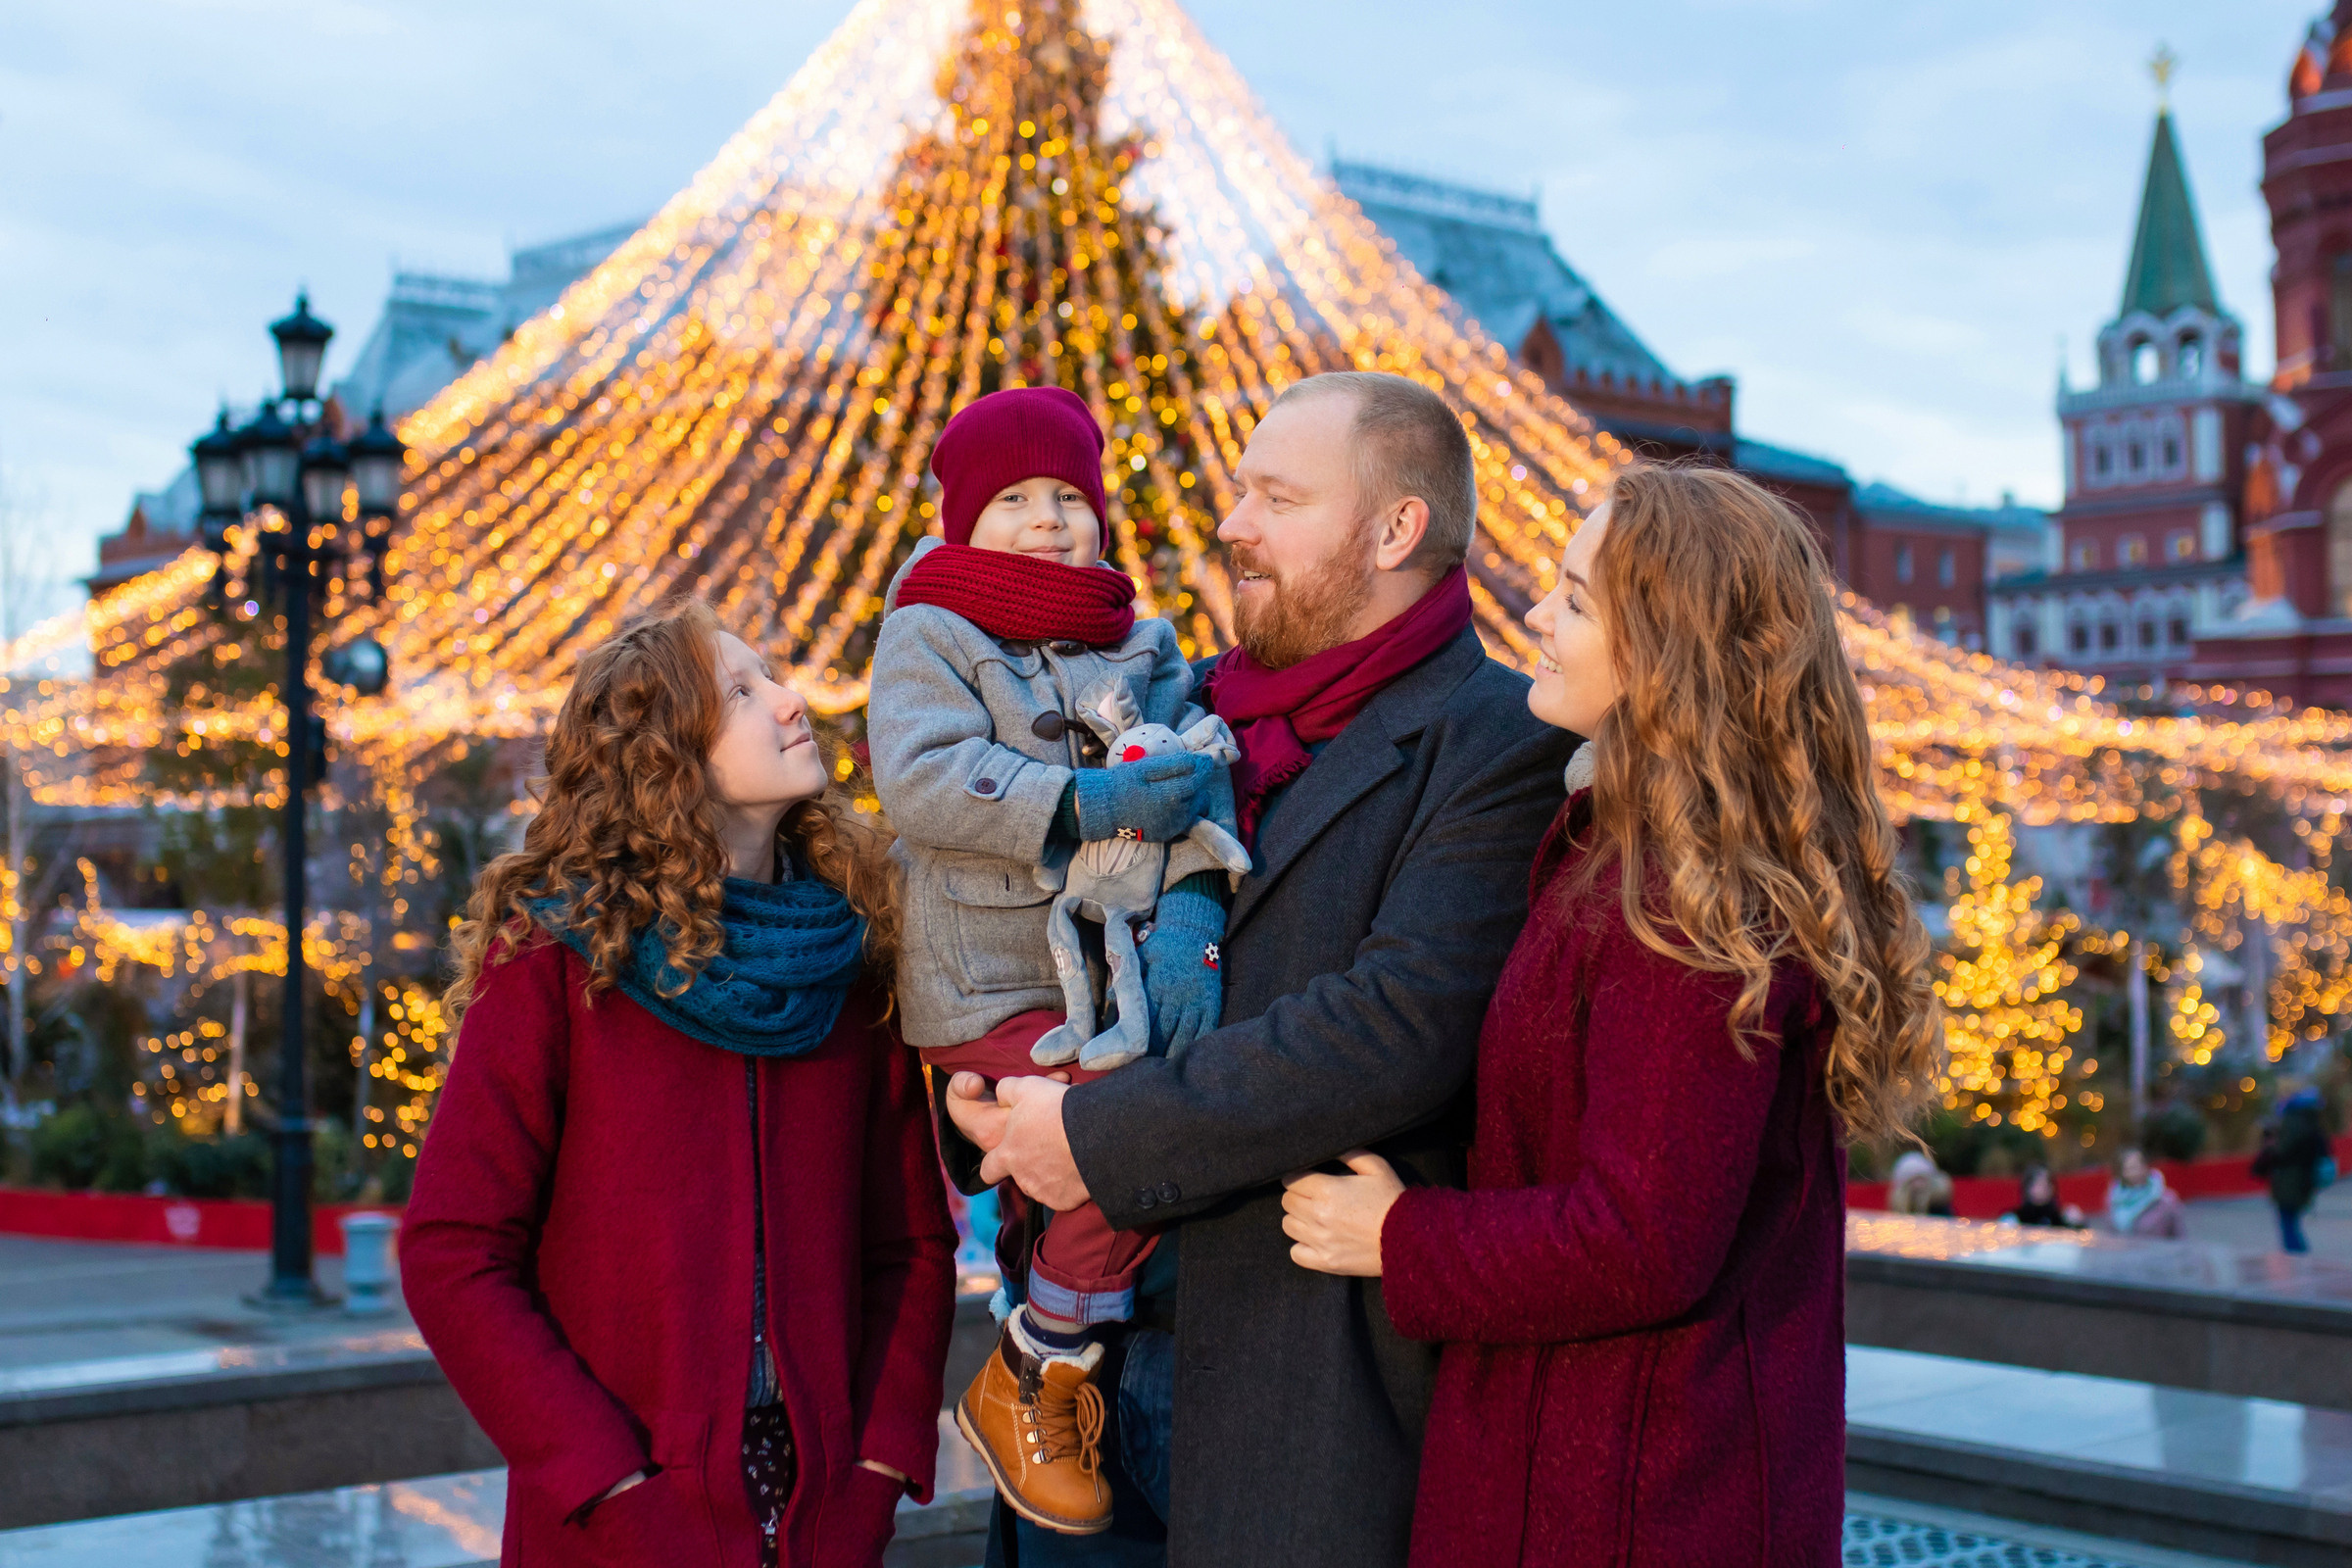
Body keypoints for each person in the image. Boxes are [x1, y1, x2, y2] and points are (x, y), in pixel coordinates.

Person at [946, 370, 1571, 1567]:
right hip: (1073, 1376)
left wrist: (1093, 1135)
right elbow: (1033, 907)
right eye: (1241, 489)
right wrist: (982, 1092)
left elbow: (1390, 1030)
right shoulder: (1183, 708)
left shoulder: (1500, 737)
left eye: (1276, 496)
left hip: (1290, 1395)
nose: (1231, 523)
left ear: (1395, 528)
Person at [1280, 464, 1941, 1565]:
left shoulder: (1686, 900)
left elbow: (1646, 1240)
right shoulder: (1626, 853)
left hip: (1639, 1498)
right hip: (1589, 1470)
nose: (1536, 613)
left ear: (1671, 647)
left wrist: (1398, 1236)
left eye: (1578, 598)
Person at [402, 601, 956, 1568]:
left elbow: (909, 1245)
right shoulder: (556, 964)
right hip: (619, 1522)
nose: (792, 702)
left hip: (818, 1520)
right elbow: (453, 1251)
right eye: (742, 691)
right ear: (669, 754)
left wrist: (875, 1471)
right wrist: (608, 1483)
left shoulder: (850, 960)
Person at [867, 384, 1241, 1535]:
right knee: (1108, 1127)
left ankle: (1046, 1336)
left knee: (1135, 1104)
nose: (1046, 521)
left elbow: (1194, 775)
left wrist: (1190, 915)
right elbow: (921, 779)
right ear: (963, 519)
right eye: (1015, 501)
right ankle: (1043, 1353)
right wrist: (1081, 799)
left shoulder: (1142, 638)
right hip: (988, 969)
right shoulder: (930, 629)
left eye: (1068, 498)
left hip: (1111, 959)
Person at [2253, 1085, 2332, 1253]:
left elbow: (2282, 1152)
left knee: (2288, 1225)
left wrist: (2270, 1147)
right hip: (2304, 1180)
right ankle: (2301, 1258)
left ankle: (2298, 1259)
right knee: (2292, 1223)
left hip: (2289, 1181)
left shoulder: (2293, 1124)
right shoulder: (2312, 1124)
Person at [2102, 1146, 2185, 1239]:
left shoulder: (2166, 1200)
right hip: (2126, 1252)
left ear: (2145, 1167)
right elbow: (2110, 1235)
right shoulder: (2114, 1198)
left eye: (2135, 1167)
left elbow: (2179, 1236)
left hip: (2158, 1252)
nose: (2133, 1173)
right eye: (2128, 1169)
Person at [2004, 1164, 2084, 1227]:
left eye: (2048, 1182)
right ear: (2028, 1188)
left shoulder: (2063, 1216)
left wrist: (2077, 1224)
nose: (2045, 1187)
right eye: (2039, 1183)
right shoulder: (2016, 1219)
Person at [1887, 1149, 1956, 1217]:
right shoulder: (1899, 1214)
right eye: (1913, 1181)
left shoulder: (1939, 1206)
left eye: (1921, 1179)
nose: (1918, 1185)